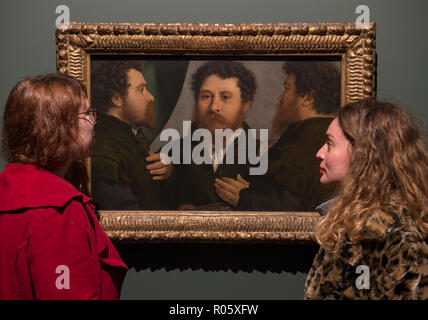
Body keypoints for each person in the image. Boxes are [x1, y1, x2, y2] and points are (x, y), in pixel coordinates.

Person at [0, 74, 127, 299]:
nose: (94, 121)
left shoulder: (10, 193)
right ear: (58, 126)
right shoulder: (58, 210)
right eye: (87, 113)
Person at [304, 99, 428, 299]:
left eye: (329, 144)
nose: (319, 154)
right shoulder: (351, 224)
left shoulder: (394, 235)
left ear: (362, 152)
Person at [216, 61, 341, 211]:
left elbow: (296, 209)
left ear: (308, 98)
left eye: (287, 89)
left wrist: (248, 198)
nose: (281, 98)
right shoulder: (305, 134)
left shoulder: (302, 144)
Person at [167, 61, 258, 210]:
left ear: (245, 104)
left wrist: (252, 201)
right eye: (206, 96)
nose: (214, 106)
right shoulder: (171, 153)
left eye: (225, 97)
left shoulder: (267, 155)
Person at [91, 61, 171, 210]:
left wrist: (165, 172)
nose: (151, 97)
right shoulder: (105, 149)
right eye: (141, 90)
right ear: (117, 99)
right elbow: (125, 219)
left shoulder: (131, 136)